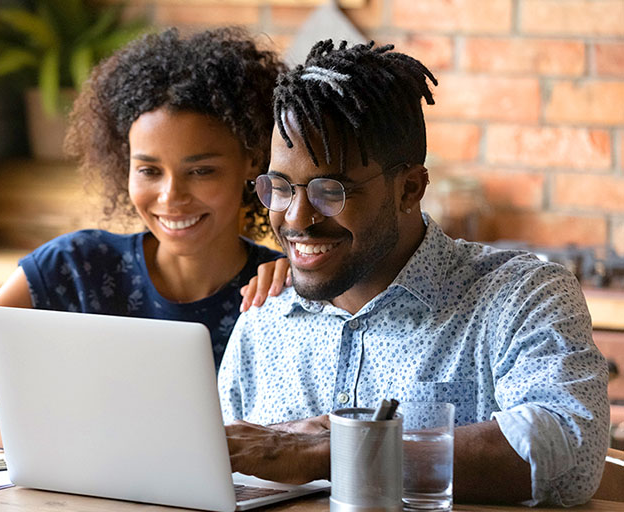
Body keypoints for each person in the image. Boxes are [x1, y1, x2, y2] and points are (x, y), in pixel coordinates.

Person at [218, 40, 609, 506]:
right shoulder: (264, 318)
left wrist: (334, 451)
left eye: (331, 190)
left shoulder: (521, 296)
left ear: (409, 189)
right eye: (280, 187)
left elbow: (566, 445)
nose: (297, 218)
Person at [0, 27, 290, 448]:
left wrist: (303, 285)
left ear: (251, 161)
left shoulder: (281, 292)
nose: (171, 196)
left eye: (201, 170)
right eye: (149, 171)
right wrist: (32, 435)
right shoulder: (74, 267)